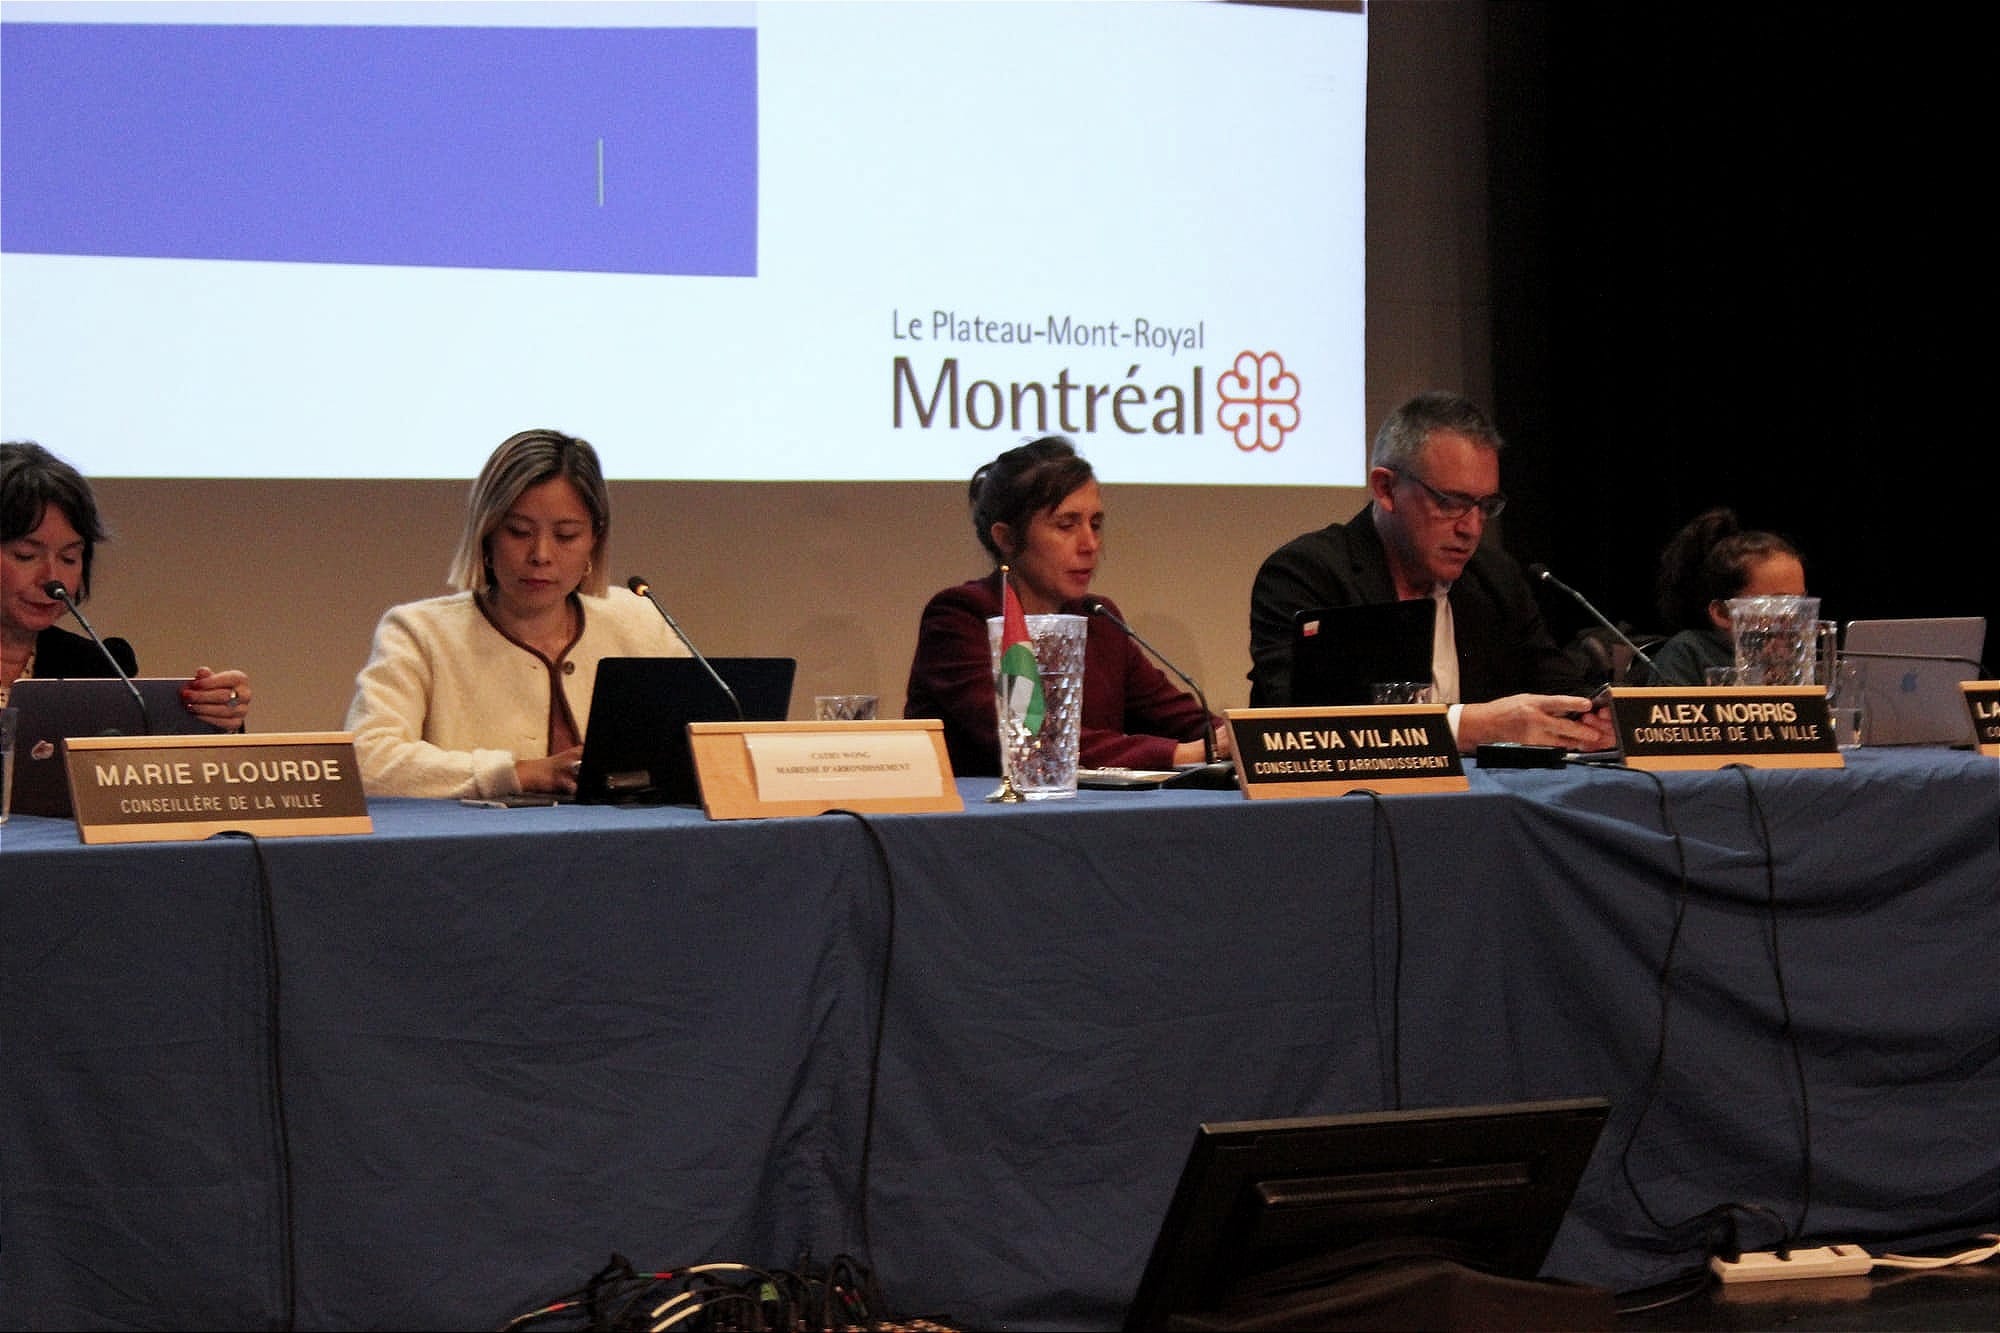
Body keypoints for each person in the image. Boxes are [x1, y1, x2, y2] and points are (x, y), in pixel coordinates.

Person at [1247, 392, 1615, 752]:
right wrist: (1470, 727)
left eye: (1485, 505)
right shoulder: (1305, 575)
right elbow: (1303, 725)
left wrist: (1595, 715)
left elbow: (1558, 686)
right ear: (1386, 489)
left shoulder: (1494, 577)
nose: (1471, 528)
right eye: (1450, 502)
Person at [344, 429, 687, 799]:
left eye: (566, 535)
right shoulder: (418, 632)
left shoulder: (639, 620)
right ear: (486, 536)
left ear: (594, 540)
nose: (541, 554)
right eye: (519, 532)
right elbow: (365, 762)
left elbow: (710, 742)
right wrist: (516, 774)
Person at [904, 436, 1226, 776]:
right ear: (1007, 538)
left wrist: (1243, 739)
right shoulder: (961, 617)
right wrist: (1184, 754)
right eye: (1066, 525)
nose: (1090, 544)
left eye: (1096, 524)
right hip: (981, 822)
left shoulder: (1098, 619)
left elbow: (1183, 720)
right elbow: (1031, 740)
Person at [1, 440, 251, 727]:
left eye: (69, 558)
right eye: (26, 555)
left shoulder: (95, 668)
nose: (51, 578)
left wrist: (218, 716)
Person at [1647, 508, 1806, 687]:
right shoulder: (1688, 654)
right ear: (1723, 613)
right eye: (1777, 603)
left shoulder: (1795, 663)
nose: (1791, 616)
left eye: (1799, 604)